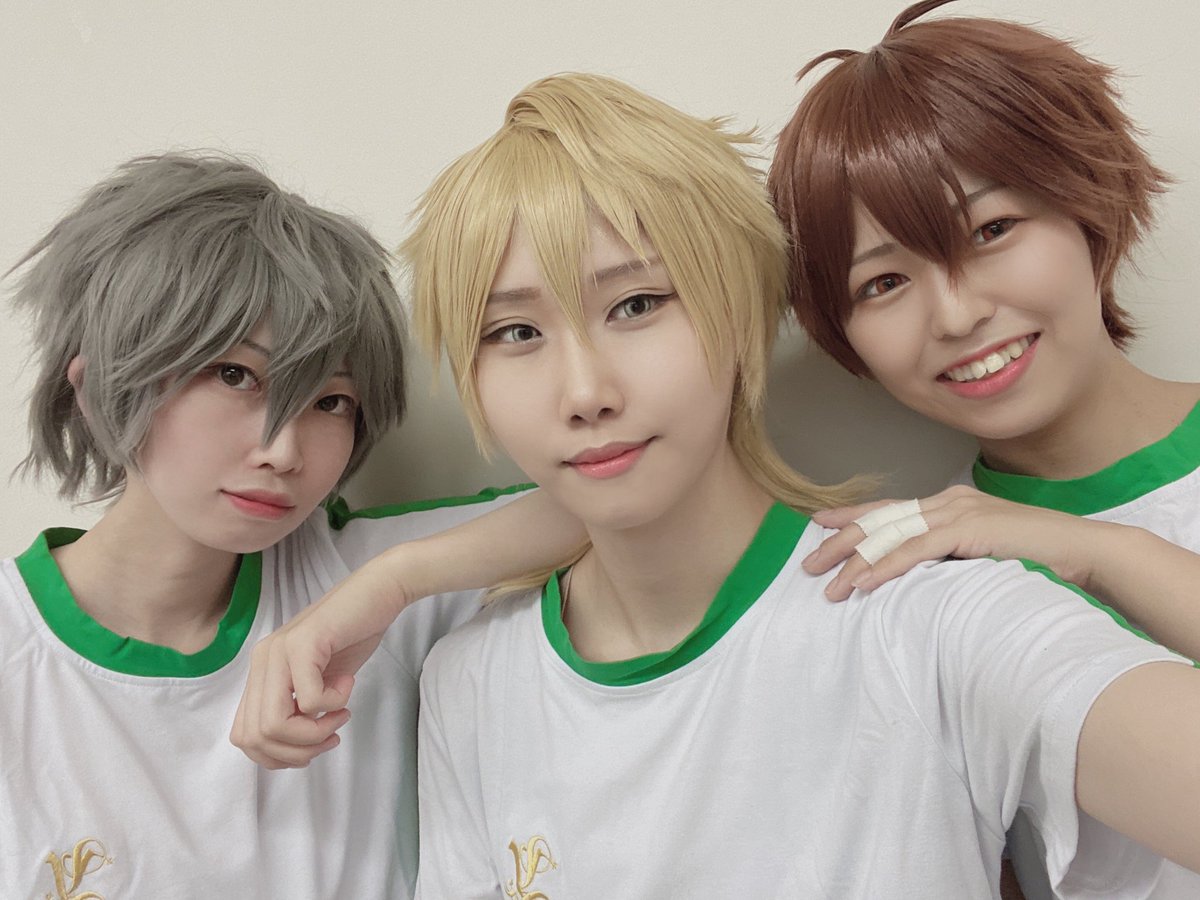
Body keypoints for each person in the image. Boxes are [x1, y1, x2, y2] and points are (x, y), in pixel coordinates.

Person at [274, 71, 1197, 898]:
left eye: (637, 304)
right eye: (515, 333)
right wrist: (399, 578)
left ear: (740, 320)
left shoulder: (925, 611)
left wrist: (1107, 551)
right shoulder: (473, 681)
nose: (585, 392)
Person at [0, 151, 579, 899]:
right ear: (98, 389)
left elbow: (633, 504)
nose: (283, 451)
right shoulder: (19, 658)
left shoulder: (352, 584)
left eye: (330, 401)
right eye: (234, 375)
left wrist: (393, 583)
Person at [769, 1, 1200, 896]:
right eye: (884, 281)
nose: (957, 314)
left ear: (1087, 203)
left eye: (989, 231)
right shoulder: (923, 576)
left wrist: (1101, 551)